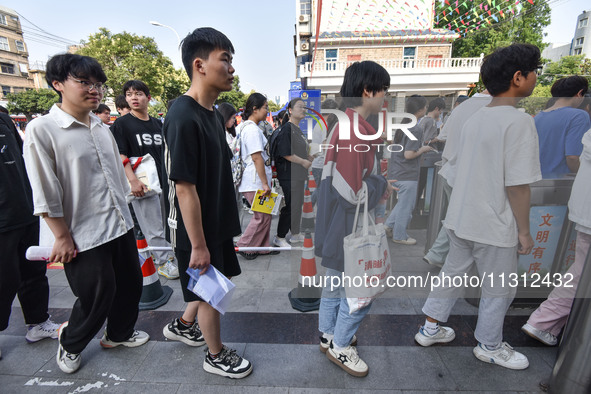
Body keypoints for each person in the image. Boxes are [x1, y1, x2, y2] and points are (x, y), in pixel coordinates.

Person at [415, 43, 542, 370]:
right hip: (493, 223)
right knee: (499, 289)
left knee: (451, 275)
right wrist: (525, 232)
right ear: (518, 77)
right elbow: (517, 185)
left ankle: (430, 327)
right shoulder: (518, 122)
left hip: (460, 218)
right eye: (534, 72)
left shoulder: (473, 119)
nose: (536, 77)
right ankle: (489, 345)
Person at [23, 53, 149, 374]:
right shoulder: (43, 129)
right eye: (84, 82)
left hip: (118, 223)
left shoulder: (101, 126)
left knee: (131, 285)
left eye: (98, 84)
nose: (94, 90)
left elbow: (113, 178)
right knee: (97, 294)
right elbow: (44, 189)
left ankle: (118, 334)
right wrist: (61, 236)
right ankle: (71, 342)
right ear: (57, 85)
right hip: (81, 232)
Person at [161, 27, 252, 379]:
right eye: (225, 60)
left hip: (213, 221)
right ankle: (215, 355)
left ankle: (185, 326)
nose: (231, 68)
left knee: (207, 285)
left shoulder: (213, 114)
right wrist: (198, 245)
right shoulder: (182, 116)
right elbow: (184, 188)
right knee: (212, 291)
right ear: (199, 65)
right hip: (193, 228)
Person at [315, 60, 390, 377]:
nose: (385, 97)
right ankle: (342, 346)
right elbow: (350, 192)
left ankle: (329, 334)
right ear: (367, 90)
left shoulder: (342, 124)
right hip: (349, 226)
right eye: (383, 90)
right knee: (360, 291)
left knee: (333, 286)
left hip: (334, 224)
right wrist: (381, 183)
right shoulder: (354, 130)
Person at [0, 110, 61, 359]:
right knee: (4, 279)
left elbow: (24, 159)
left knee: (34, 273)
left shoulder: (4, 118)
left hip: (24, 210)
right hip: (2, 220)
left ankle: (38, 322)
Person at [522, 128, 591, 346]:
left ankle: (548, 321)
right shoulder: (577, 119)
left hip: (584, 209)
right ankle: (544, 321)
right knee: (581, 272)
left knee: (581, 270)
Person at [111, 80, 179, 280]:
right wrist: (132, 182)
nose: (133, 97)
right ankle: (164, 262)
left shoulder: (158, 123)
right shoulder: (122, 124)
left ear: (148, 98)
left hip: (164, 181)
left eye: (138, 93)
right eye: (129, 94)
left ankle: (170, 255)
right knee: (152, 225)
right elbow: (121, 156)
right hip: (142, 184)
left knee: (168, 221)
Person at [423, 90, 492, 267]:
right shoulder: (491, 107)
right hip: (468, 175)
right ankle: (439, 255)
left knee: (454, 216)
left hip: (450, 170)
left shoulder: (460, 109)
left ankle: (438, 255)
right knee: (458, 219)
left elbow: (443, 136)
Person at [384, 95, 435, 245]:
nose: (426, 109)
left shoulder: (404, 125)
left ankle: (388, 226)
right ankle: (400, 235)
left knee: (403, 204)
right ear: (420, 110)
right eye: (425, 106)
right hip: (407, 173)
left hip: (397, 171)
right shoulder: (416, 128)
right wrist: (423, 149)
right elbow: (409, 154)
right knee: (406, 207)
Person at [235, 93, 278, 260]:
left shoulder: (244, 127)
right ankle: (245, 246)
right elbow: (256, 157)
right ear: (255, 108)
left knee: (266, 213)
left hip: (254, 180)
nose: (267, 111)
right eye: (265, 107)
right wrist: (265, 183)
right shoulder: (252, 130)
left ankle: (262, 247)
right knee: (261, 216)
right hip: (254, 181)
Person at [272, 97, 312, 247]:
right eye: (300, 107)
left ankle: (295, 234)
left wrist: (310, 156)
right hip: (289, 175)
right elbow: (285, 153)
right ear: (290, 110)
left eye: (305, 107)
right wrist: (303, 162)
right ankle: (279, 237)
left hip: (298, 174)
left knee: (297, 204)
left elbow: (299, 151)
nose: (304, 109)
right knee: (290, 205)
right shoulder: (287, 128)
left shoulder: (297, 130)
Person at [534, 75, 590, 177]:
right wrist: (583, 177)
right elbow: (573, 158)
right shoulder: (579, 116)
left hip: (538, 180)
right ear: (579, 93)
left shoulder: (538, 117)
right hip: (564, 182)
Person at [310, 99, 338, 206]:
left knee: (321, 190)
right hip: (321, 164)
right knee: (322, 191)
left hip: (319, 163)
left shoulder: (321, 122)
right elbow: (326, 144)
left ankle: (309, 209)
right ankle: (310, 210)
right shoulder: (325, 124)